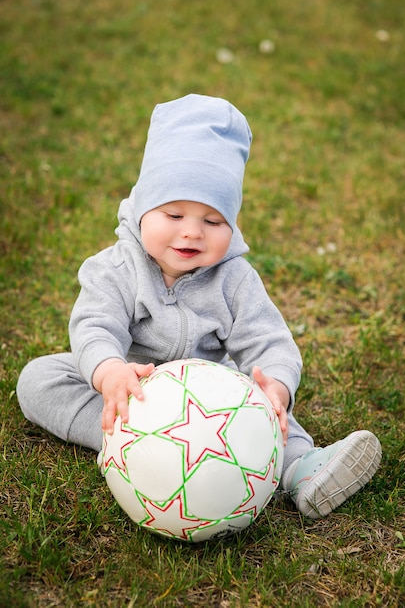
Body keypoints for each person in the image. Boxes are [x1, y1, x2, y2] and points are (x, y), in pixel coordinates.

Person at [17, 94, 382, 519]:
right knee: (38, 378)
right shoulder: (114, 268)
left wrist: (275, 387)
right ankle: (127, 440)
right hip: (133, 389)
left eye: (212, 221)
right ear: (142, 210)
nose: (191, 233)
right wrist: (109, 370)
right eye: (173, 214)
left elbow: (270, 342)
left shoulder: (234, 279)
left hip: (214, 398)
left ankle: (302, 467)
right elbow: (93, 327)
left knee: (263, 409)